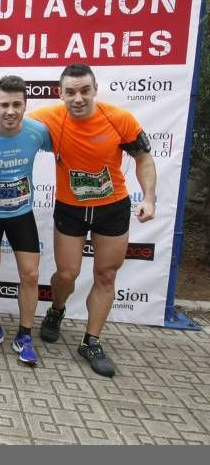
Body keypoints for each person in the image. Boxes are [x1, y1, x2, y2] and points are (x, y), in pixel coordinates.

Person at [28, 63, 155, 377]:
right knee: (67, 274)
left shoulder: (119, 119)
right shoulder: (49, 118)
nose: (78, 98)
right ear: (61, 94)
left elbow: (143, 158)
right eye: (70, 92)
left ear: (95, 89)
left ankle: (91, 340)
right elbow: (10, 124)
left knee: (106, 276)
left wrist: (149, 197)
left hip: (111, 208)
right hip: (70, 208)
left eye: (85, 90)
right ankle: (57, 310)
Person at [0, 75, 52, 366]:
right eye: (4, 104)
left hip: (21, 215)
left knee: (30, 275)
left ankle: (25, 334)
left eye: (16, 104)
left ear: (25, 105)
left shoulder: (37, 132)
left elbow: (64, 150)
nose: (10, 111)